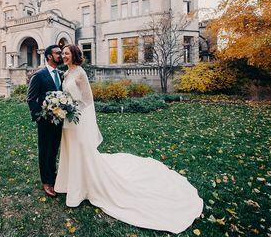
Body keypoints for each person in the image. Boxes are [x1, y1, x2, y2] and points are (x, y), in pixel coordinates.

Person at [54, 44, 203, 234]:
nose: (63, 56)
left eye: (66, 53)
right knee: (70, 151)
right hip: (68, 121)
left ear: (74, 55)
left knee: (81, 151)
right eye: (63, 54)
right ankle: (69, 183)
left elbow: (87, 100)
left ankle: (83, 188)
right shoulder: (66, 73)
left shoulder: (80, 73)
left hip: (77, 120)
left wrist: (72, 109)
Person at [27, 45, 63, 197]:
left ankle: (54, 176)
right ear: (49, 56)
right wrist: (39, 117)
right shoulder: (39, 75)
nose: (61, 55)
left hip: (59, 120)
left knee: (54, 150)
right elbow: (31, 98)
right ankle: (46, 182)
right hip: (44, 121)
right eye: (58, 53)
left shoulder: (61, 74)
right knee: (45, 150)